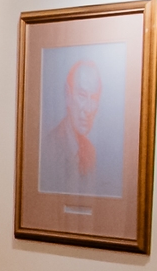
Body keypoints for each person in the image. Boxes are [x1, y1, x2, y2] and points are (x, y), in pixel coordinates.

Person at [39, 52, 122, 197]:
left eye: (94, 98)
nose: (89, 109)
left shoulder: (91, 152)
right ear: (67, 95)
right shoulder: (47, 148)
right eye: (82, 96)